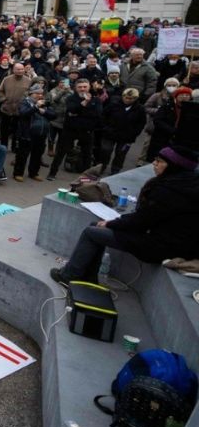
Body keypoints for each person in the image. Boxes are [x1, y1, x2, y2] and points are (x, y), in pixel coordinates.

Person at [50, 146, 199, 287]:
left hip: (161, 246)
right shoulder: (186, 184)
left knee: (91, 232)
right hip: (173, 242)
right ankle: (89, 276)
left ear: (173, 167)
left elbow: (141, 221)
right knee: (95, 228)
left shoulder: (169, 191)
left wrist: (111, 223)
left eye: (160, 161)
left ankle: (69, 276)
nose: (154, 164)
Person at [47, 78, 101, 180]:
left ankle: (86, 177)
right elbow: (71, 109)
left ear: (89, 87)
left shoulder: (96, 100)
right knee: (61, 153)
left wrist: (78, 113)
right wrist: (84, 103)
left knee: (87, 155)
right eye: (80, 87)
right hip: (70, 130)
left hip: (87, 131)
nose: (82, 89)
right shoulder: (71, 98)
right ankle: (52, 173)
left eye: (85, 87)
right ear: (75, 88)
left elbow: (97, 114)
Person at [14, 84, 57, 182]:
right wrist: (36, 107)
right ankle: (18, 173)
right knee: (22, 155)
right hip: (27, 133)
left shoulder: (44, 103)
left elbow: (54, 115)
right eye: (37, 93)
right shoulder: (25, 102)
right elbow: (23, 114)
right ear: (31, 93)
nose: (39, 95)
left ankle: (33, 173)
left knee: (37, 155)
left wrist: (44, 112)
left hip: (42, 133)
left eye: (41, 93)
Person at [99, 88, 146, 175]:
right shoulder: (113, 105)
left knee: (121, 153)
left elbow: (141, 124)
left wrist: (134, 134)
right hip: (110, 133)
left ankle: (115, 169)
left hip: (126, 137)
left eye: (130, 98)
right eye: (126, 97)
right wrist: (105, 128)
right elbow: (103, 116)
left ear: (135, 99)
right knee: (106, 150)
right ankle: (101, 166)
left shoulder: (140, 109)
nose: (127, 100)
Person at [0, 63, 30, 149]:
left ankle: (14, 146)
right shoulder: (6, 79)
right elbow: (0, 91)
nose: (20, 71)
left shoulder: (28, 81)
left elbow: (31, 94)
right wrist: (4, 100)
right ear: (13, 70)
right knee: (4, 129)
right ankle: (3, 146)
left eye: (22, 69)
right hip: (6, 109)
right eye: (18, 69)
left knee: (17, 130)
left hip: (20, 110)